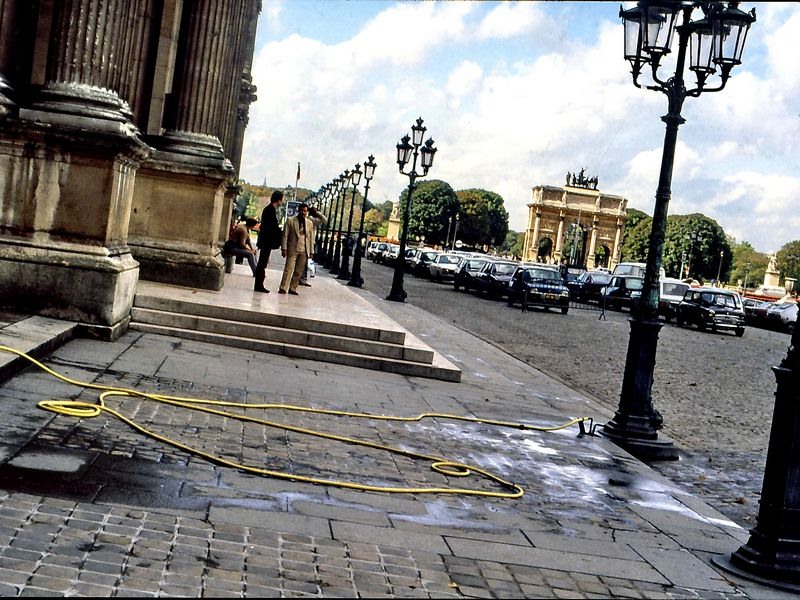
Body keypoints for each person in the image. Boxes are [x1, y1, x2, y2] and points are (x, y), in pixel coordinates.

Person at [278, 203, 327, 295]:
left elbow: (311, 238)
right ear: (298, 210)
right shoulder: (290, 220)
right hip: (292, 248)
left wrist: (311, 251)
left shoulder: (310, 222)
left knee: (299, 270)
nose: (303, 212)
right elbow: (285, 235)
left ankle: (293, 288)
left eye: (304, 211)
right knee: (288, 269)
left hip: (304, 249)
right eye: (301, 210)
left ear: (307, 211)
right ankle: (283, 288)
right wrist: (284, 248)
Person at [254, 190, 284, 293]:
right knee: (262, 263)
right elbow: (272, 227)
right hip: (266, 241)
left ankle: (259, 284)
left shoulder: (269, 209)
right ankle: (259, 285)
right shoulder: (270, 210)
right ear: (278, 200)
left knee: (262, 263)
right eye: (281, 200)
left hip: (265, 241)